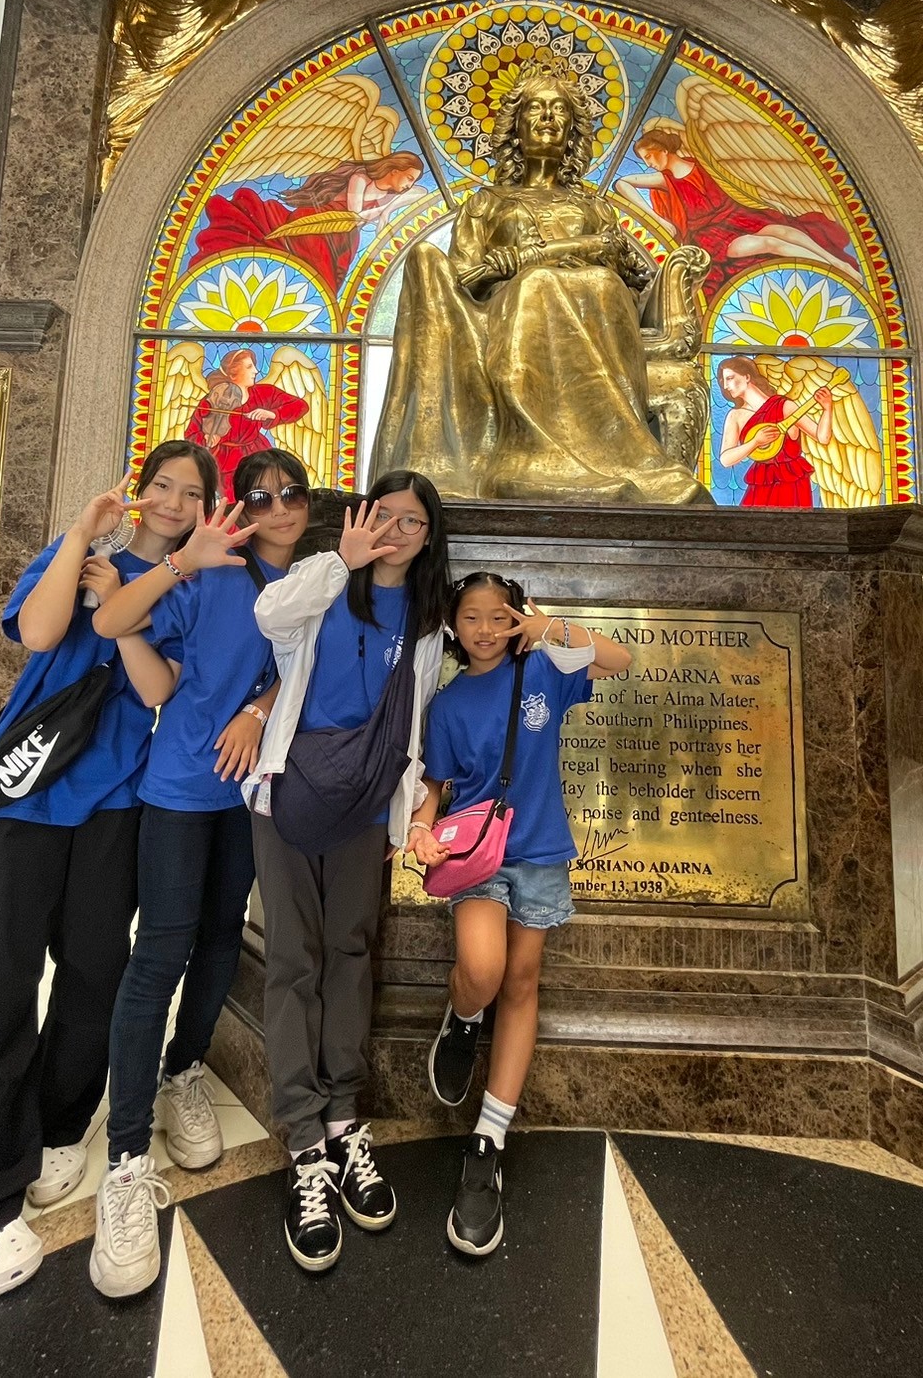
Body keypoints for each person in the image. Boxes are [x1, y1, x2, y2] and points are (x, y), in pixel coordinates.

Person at [0, 441, 219, 1302]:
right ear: (137, 493)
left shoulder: (192, 592)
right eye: (162, 486)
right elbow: (37, 634)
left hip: (116, 803)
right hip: (22, 797)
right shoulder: (77, 554)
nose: (174, 502)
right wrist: (79, 535)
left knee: (94, 976)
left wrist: (130, 604)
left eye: (192, 492)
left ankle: (61, 1127)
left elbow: (157, 691)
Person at [88, 449, 312, 1299]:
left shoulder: (319, 585)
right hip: (182, 787)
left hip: (250, 798)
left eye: (292, 493)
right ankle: (125, 1157)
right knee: (163, 951)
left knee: (222, 939)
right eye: (260, 495)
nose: (278, 506)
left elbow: (302, 674)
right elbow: (116, 626)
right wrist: (181, 563)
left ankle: (184, 1070)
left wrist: (257, 708)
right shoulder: (215, 571)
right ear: (240, 507)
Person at [244, 470, 449, 1274]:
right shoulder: (321, 578)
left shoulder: (428, 621)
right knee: (293, 958)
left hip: (366, 804)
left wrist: (408, 814)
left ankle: (342, 1118)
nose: (395, 530)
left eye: (411, 521)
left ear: (429, 536)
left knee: (351, 953)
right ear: (362, 518)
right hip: (292, 794)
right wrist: (343, 560)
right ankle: (303, 1139)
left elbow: (416, 721)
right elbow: (272, 618)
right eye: (382, 515)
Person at [411, 572, 631, 1257]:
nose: (485, 629)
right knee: (482, 971)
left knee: (522, 980)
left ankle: (489, 1138)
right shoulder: (447, 704)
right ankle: (463, 1016)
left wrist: (552, 629)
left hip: (539, 852)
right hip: (478, 854)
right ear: (453, 626)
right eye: (470, 617)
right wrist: (420, 826)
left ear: (516, 619)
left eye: (498, 615)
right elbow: (435, 784)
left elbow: (619, 659)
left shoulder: (543, 671)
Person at [372, 73, 710, 504]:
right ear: (516, 127)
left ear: (572, 131)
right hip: (502, 319)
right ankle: (528, 455)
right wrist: (514, 268)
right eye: (536, 107)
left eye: (559, 109)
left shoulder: (594, 207)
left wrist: (544, 256)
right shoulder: (486, 203)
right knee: (535, 284)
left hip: (596, 313)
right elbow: (463, 276)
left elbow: (620, 268)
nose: (548, 116)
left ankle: (609, 456)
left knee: (591, 282)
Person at [614, 124, 860, 302]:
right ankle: (832, 271)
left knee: (784, 231)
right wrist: (658, 220)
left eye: (649, 156)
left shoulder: (700, 162)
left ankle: (836, 262)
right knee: (770, 243)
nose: (648, 163)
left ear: (662, 150)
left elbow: (734, 181)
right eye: (644, 159)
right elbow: (622, 183)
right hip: (712, 237)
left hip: (736, 216)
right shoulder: (664, 180)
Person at [189, 153, 425, 292]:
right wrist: (384, 209)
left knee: (329, 283)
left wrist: (390, 207)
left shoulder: (389, 195)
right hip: (318, 227)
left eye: (412, 181)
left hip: (344, 240)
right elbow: (354, 216)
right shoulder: (361, 177)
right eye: (409, 178)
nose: (409, 185)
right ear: (394, 170)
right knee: (319, 276)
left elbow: (423, 193)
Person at [185, 349, 308, 497]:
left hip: (256, 455)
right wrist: (206, 438)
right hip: (224, 462)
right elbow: (191, 434)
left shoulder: (263, 393)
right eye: (249, 367)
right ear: (233, 373)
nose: (256, 371)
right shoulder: (214, 399)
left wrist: (272, 414)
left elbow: (301, 406)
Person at [717, 357, 833, 507]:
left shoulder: (785, 406)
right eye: (723, 381)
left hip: (792, 479)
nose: (726, 386)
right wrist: (755, 442)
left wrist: (827, 408)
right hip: (761, 481)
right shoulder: (735, 416)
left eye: (730, 378)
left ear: (747, 377)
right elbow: (726, 459)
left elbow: (822, 437)